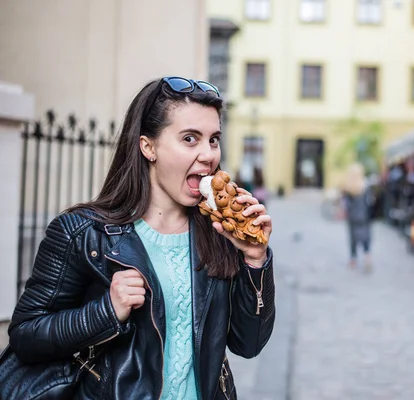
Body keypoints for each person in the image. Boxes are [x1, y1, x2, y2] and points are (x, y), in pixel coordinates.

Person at [5, 77, 275, 399]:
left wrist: (255, 260)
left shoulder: (219, 234)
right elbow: (26, 335)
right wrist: (107, 310)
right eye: (190, 139)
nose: (208, 155)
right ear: (148, 147)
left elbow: (249, 343)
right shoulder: (83, 234)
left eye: (214, 140)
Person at [341, 163, 374, 272]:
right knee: (366, 238)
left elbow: (346, 204)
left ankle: (353, 260)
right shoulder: (365, 186)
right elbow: (369, 202)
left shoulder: (348, 188)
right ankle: (367, 258)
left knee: (353, 239)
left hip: (353, 217)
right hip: (364, 216)